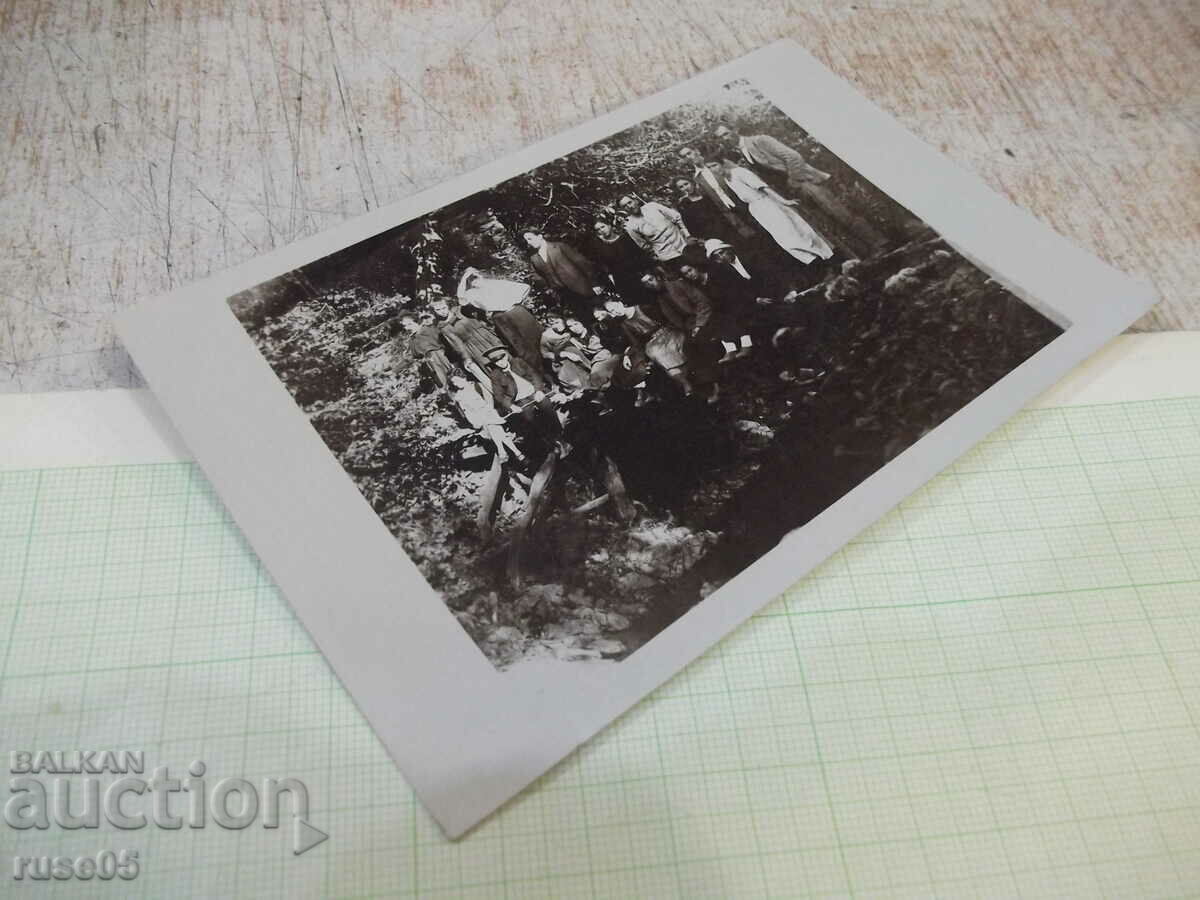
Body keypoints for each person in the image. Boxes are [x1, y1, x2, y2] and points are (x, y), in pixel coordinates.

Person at [714, 125, 890, 258]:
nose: (724, 138)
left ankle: (880, 243)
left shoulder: (760, 140)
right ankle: (866, 252)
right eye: (720, 138)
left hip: (804, 182)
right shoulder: (740, 155)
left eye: (726, 133)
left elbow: (793, 156)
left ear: (734, 130)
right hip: (789, 193)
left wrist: (794, 180)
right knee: (827, 223)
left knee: (839, 213)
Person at [718, 158, 835, 268]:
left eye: (714, 165)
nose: (713, 169)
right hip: (757, 209)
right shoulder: (727, 180)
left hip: (767, 203)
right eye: (710, 167)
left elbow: (763, 187)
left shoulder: (740, 172)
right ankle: (818, 264)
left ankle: (828, 259)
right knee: (784, 240)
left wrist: (784, 201)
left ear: (723, 163)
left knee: (795, 235)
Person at [638, 270, 721, 403]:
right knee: (688, 349)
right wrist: (686, 329)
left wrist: (699, 325)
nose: (650, 284)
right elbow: (675, 319)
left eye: (650, 280)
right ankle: (705, 388)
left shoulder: (677, 285)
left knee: (699, 345)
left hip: (705, 318)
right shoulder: (660, 298)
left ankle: (716, 387)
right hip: (689, 327)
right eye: (646, 284)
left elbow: (702, 302)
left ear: (658, 277)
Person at [677, 146, 757, 242]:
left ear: (696, 151)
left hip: (745, 202)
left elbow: (741, 175)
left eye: (689, 153)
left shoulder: (718, 163)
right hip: (728, 213)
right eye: (685, 156)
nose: (689, 157)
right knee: (750, 237)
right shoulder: (697, 178)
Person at [523, 231, 606, 322]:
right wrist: (551, 290)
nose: (528, 242)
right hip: (566, 296)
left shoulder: (559, 247)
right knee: (585, 320)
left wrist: (594, 283)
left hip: (584, 288)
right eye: (526, 240)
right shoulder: (534, 258)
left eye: (530, 238)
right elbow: (537, 277)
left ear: (539, 236)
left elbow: (583, 263)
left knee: (601, 315)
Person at [449, 372, 524, 463]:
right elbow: (467, 411)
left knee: (492, 426)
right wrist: (474, 421)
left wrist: (490, 409)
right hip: (479, 417)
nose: (456, 384)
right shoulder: (459, 396)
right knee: (493, 427)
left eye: (457, 380)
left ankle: (504, 452)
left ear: (463, 377)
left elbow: (489, 398)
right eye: (454, 383)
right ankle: (515, 453)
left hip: (491, 411)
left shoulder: (477, 385)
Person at [430, 297, 501, 383]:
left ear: (448, 306)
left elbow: (480, 311)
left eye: (444, 308)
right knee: (492, 370)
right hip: (473, 348)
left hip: (486, 338)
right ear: (434, 311)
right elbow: (457, 343)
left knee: (503, 358)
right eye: (438, 309)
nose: (442, 311)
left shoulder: (461, 310)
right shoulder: (443, 327)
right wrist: (466, 358)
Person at [586, 219, 651, 304]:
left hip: (639, 274)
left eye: (603, 226)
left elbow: (640, 255)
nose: (602, 230)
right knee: (639, 305)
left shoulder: (625, 238)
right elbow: (597, 265)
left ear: (610, 225)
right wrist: (596, 283)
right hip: (622, 281)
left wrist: (647, 272)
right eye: (598, 229)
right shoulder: (599, 246)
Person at [618, 195, 690, 264]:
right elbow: (643, 245)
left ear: (635, 201)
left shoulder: (652, 206)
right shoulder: (630, 225)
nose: (629, 206)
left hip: (685, 244)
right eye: (625, 206)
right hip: (667, 256)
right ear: (623, 210)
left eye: (630, 202)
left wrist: (688, 235)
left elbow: (677, 217)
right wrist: (657, 257)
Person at [399, 312, 454, 389]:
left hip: (442, 359)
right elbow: (415, 355)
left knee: (454, 380)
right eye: (405, 326)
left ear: (417, 322)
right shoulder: (412, 339)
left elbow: (445, 343)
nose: (407, 328)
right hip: (431, 365)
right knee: (444, 385)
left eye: (409, 324)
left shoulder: (429, 330)